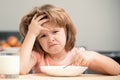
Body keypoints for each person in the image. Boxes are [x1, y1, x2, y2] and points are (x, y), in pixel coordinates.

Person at [19, 4, 120, 75]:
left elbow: (117, 70)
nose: (51, 39)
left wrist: (93, 56)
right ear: (37, 41)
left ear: (67, 32)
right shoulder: (38, 57)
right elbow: (20, 69)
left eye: (55, 32)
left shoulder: (78, 55)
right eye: (43, 36)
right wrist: (31, 33)